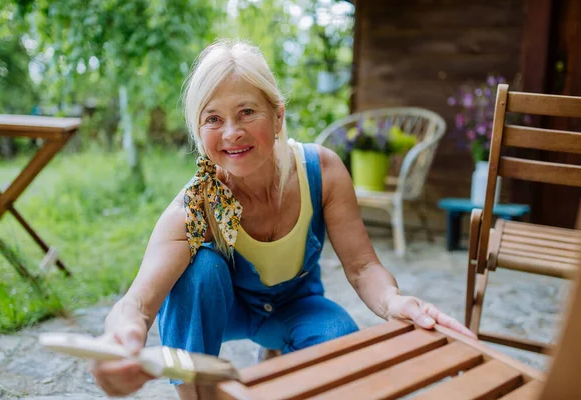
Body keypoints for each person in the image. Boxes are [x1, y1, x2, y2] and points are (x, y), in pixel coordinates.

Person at [90, 39, 475, 399]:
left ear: (277, 117)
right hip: (227, 311)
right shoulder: (197, 203)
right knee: (199, 270)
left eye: (246, 112)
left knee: (342, 348)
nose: (232, 133)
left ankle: (275, 353)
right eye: (212, 119)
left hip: (295, 307)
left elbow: (362, 267)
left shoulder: (321, 172)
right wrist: (122, 337)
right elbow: (138, 304)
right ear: (198, 130)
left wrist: (394, 302)